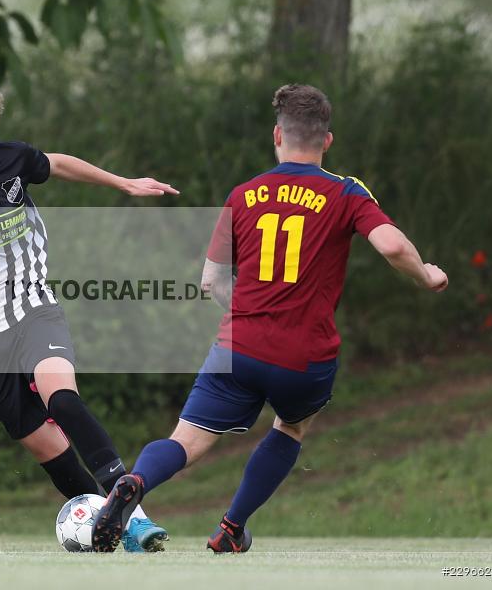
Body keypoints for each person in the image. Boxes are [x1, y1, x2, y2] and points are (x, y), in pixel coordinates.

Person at [92, 83, 449, 553]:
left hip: (238, 346)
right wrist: (426, 276)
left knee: (188, 441)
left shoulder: (243, 195)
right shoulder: (345, 193)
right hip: (304, 357)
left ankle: (135, 481)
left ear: (277, 137)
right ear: (327, 141)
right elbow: (393, 245)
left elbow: (211, 282)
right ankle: (231, 528)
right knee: (291, 427)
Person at [0, 75, 177, 552]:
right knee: (45, 446)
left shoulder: (14, 158)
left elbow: (58, 163)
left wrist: (124, 183)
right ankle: (117, 526)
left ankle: (129, 507)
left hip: (33, 304)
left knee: (62, 398)